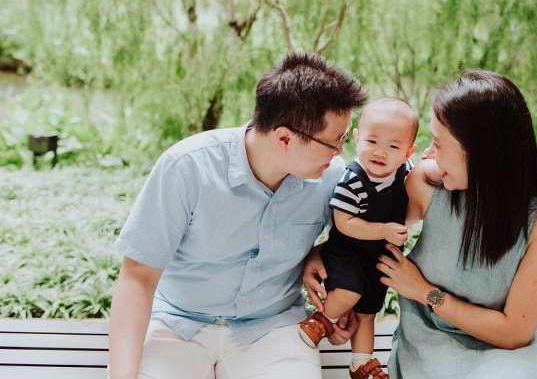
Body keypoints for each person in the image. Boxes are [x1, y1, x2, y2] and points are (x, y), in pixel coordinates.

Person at [108, 52, 366, 379]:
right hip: (178, 323)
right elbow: (137, 276)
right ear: (284, 138)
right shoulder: (187, 167)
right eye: (334, 141)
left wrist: (321, 254)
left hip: (273, 327)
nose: (340, 151)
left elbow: (362, 239)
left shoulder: (332, 177)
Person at [378, 70, 537, 379]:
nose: (430, 153)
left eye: (438, 143)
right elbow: (369, 233)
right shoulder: (428, 186)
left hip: (510, 357)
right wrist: (321, 257)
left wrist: (424, 292)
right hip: (429, 348)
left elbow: (514, 333)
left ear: (479, 150)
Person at [298, 98, 418, 379]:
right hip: (347, 252)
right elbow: (344, 223)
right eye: (372, 141)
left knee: (368, 312)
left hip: (378, 258)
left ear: (408, 151)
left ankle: (361, 363)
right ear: (356, 137)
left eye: (393, 147)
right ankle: (321, 319)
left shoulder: (405, 174)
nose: (380, 152)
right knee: (349, 292)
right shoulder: (353, 180)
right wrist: (383, 231)